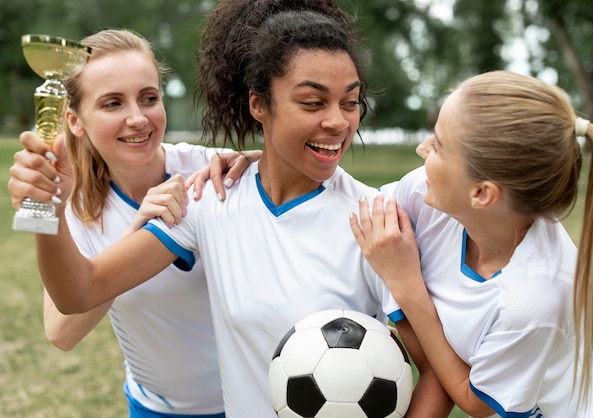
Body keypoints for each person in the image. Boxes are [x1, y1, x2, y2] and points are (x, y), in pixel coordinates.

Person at [8, 2, 452, 417]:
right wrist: (48, 207)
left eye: (351, 102)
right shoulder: (207, 198)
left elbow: (436, 368)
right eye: (313, 102)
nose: (338, 121)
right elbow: (78, 294)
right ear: (258, 104)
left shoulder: (372, 221)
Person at [350, 70, 593, 417]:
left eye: (437, 145)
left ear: (482, 193)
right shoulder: (427, 193)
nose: (422, 149)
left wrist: (407, 287)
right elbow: (353, 208)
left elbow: (474, 401)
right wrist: (261, 167)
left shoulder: (532, 300)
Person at [7, 29, 236, 418]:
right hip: (156, 410)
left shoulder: (212, 170)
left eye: (149, 98)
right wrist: (135, 238)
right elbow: (61, 333)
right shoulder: (78, 206)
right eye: (113, 103)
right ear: (75, 122)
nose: (137, 117)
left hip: (255, 401)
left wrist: (258, 160)